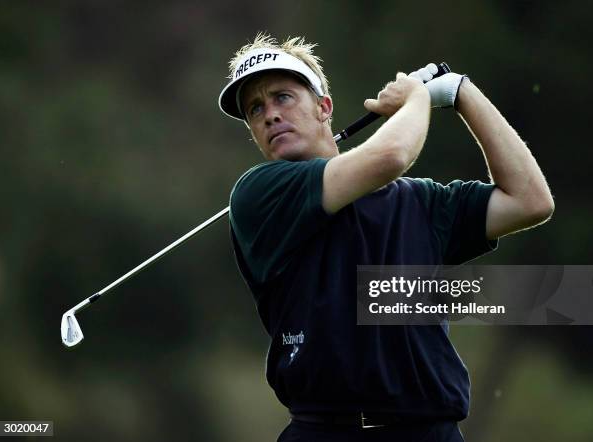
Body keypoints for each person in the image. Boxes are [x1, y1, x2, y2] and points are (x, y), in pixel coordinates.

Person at [218, 33, 554, 442]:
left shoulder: (420, 202)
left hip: (431, 433)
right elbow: (392, 156)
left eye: (283, 97)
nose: (269, 114)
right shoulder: (258, 194)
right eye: (256, 108)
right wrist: (417, 99)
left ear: (324, 107)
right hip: (324, 433)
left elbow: (530, 200)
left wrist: (462, 92)